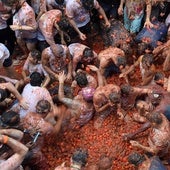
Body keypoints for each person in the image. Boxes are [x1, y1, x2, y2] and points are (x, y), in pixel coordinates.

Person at [21, 99, 64, 169]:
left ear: (36, 107)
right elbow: (55, 131)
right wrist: (60, 118)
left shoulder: (29, 114)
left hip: (22, 145)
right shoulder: (47, 126)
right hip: (34, 152)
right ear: (47, 112)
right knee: (44, 166)